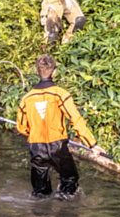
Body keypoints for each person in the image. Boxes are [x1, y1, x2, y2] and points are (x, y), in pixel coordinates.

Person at [16, 54, 105, 197]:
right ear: (54, 72)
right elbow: (76, 120)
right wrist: (92, 144)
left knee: (40, 192)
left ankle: (40, 216)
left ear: (37, 71)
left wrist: (35, 131)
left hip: (36, 147)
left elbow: (21, 128)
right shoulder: (61, 94)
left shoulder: (26, 99)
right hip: (57, 146)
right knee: (70, 181)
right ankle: (65, 213)